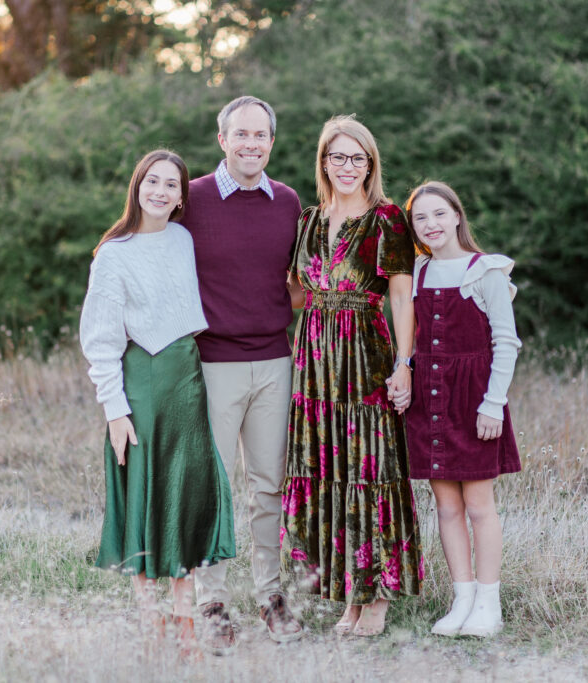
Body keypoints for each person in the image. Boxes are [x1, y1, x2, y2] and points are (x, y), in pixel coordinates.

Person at [79, 149, 236, 658]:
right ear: (137, 185)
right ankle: (152, 622)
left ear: (182, 196)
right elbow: (100, 339)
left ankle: (186, 622)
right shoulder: (113, 254)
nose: (161, 191)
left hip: (186, 378)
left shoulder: (183, 240)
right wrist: (115, 410)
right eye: (153, 181)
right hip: (141, 382)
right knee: (145, 491)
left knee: (184, 496)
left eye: (172, 184)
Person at [280, 115, 423, 638]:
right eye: (337, 156)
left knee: (370, 467)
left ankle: (377, 596)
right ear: (323, 162)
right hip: (314, 360)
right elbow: (295, 293)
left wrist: (404, 365)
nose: (346, 166)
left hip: (365, 354)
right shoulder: (308, 220)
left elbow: (402, 298)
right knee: (328, 468)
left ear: (370, 165)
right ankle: (349, 595)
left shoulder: (387, 219)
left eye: (357, 158)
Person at [179, 95, 304, 653]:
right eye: (241, 134)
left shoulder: (288, 202)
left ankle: (270, 595)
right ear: (222, 139)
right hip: (213, 364)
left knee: (268, 485)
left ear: (271, 143)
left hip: (275, 361)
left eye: (261, 135)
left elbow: (297, 281)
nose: (251, 143)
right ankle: (211, 601)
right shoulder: (192, 199)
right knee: (212, 485)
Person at [400, 180, 522, 638]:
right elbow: (408, 339)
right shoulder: (416, 273)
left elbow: (506, 342)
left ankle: (489, 604)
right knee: (446, 506)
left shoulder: (485, 270)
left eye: (438, 214)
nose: (430, 224)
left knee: (478, 505)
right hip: (429, 398)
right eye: (420, 218)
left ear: (456, 216)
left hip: (474, 400)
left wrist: (493, 403)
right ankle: (462, 600)